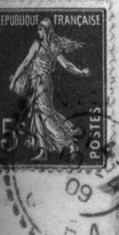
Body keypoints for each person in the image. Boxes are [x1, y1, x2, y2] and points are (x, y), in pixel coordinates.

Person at [8, 18, 92, 161]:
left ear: (46, 30)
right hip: (40, 83)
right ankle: (43, 151)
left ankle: (70, 142)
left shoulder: (40, 45)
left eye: (40, 29)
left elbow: (25, 63)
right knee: (38, 115)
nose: (38, 32)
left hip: (41, 84)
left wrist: (14, 80)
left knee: (45, 117)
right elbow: (67, 65)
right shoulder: (52, 46)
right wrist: (81, 72)